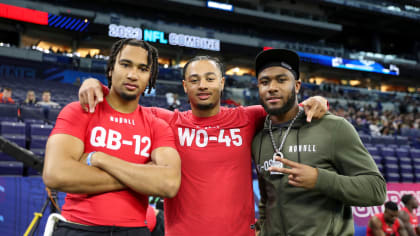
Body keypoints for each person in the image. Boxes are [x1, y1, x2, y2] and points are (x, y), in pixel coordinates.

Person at [78, 55, 328, 236]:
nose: (203, 85)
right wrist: (94, 84)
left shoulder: (248, 117)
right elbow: (119, 107)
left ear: (221, 83)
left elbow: (287, 108)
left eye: (210, 78)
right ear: (185, 86)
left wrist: (316, 100)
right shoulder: (167, 121)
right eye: (195, 80)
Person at [42, 38, 181, 236]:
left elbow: (169, 184)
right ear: (110, 69)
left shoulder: (157, 125)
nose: (133, 75)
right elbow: (55, 174)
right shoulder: (80, 111)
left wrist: (99, 158)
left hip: (134, 231)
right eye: (125, 65)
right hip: (79, 228)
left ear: (150, 76)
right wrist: (140, 177)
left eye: (142, 69)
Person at [251, 49, 387, 236]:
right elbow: (267, 199)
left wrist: (319, 179)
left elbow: (376, 190)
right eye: (264, 82)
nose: (272, 87)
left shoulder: (332, 127)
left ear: (297, 86)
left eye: (281, 80)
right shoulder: (258, 138)